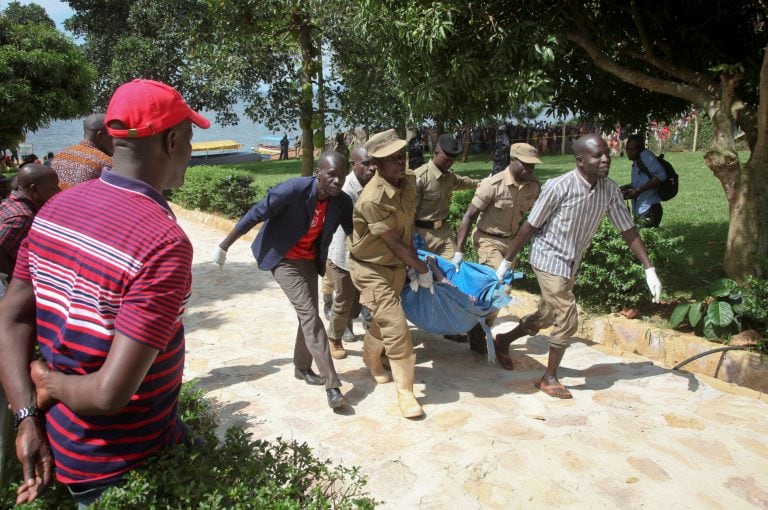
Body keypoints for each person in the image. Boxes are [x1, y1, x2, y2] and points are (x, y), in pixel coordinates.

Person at [0, 78, 210, 506]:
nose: (191, 151)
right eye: (188, 138)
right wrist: (46, 382)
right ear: (171, 141)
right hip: (122, 459)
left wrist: (26, 416)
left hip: (69, 439)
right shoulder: (163, 243)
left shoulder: (56, 206)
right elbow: (109, 395)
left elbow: (11, 316)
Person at [493, 134, 663, 399]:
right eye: (598, 156)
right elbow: (530, 226)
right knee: (567, 314)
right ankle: (549, 377)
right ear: (580, 161)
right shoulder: (558, 186)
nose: (606, 159)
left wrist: (648, 268)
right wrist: (506, 261)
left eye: (606, 153)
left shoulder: (608, 189)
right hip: (547, 257)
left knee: (547, 316)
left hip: (571, 261)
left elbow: (627, 228)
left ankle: (504, 340)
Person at [213, 152, 352, 409]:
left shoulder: (341, 202)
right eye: (331, 174)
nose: (337, 181)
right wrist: (224, 246)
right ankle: (332, 386)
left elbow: (355, 233)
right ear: (318, 173)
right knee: (310, 314)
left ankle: (301, 367)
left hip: (309, 261)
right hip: (283, 258)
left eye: (341, 176)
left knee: (306, 315)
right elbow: (256, 213)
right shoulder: (293, 190)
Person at [348, 129, 434, 419]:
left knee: (384, 320)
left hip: (395, 265)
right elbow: (394, 242)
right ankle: (406, 392)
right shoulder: (372, 199)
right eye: (391, 159)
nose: (400, 162)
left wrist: (415, 262)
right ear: (377, 164)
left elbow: (407, 229)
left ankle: (371, 358)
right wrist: (422, 268)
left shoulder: (408, 182)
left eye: (402, 156)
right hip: (370, 267)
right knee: (397, 325)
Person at [454, 143, 542, 351]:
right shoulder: (492, 184)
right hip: (487, 240)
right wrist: (458, 251)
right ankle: (480, 327)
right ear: (512, 161)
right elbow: (468, 217)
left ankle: (477, 326)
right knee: (502, 288)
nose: (530, 170)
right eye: (526, 165)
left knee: (490, 290)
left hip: (511, 243)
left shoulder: (533, 186)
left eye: (533, 166)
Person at [326, 145, 375, 359]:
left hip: (368, 253)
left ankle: (372, 338)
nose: (372, 168)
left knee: (369, 299)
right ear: (354, 165)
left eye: (374, 163)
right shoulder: (344, 189)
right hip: (343, 255)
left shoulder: (375, 184)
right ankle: (334, 338)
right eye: (366, 163)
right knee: (344, 299)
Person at [414, 133, 480, 259]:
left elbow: (463, 182)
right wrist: (411, 237)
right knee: (424, 275)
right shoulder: (420, 178)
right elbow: (408, 212)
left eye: (452, 160)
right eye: (445, 159)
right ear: (436, 153)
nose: (449, 163)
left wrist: (482, 183)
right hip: (422, 234)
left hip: (444, 233)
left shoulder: (449, 177)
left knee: (454, 269)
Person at [0, 164, 60, 283]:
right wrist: (10, 281)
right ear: (34, 189)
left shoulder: (9, 203)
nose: (59, 191)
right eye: (53, 188)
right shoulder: (22, 218)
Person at [51, 113, 114, 188]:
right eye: (112, 136)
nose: (115, 141)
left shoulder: (58, 156)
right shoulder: (106, 164)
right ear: (100, 136)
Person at [622, 133, 666, 228]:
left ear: (640, 149)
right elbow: (643, 180)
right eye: (627, 149)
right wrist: (627, 187)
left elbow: (661, 176)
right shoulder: (638, 160)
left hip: (649, 209)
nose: (628, 152)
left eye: (632, 150)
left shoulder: (646, 156)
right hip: (642, 209)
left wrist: (638, 191)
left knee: (643, 241)